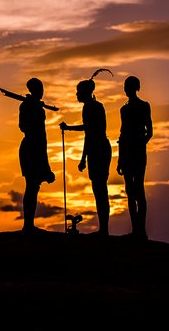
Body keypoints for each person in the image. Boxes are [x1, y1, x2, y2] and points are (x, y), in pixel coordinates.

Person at [60, 71, 112, 236]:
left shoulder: (90, 107)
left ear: (85, 92)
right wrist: (69, 128)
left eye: (78, 92)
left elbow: (89, 133)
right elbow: (88, 130)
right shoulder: (94, 106)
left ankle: (104, 229)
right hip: (100, 148)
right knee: (100, 189)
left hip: (98, 149)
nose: (76, 94)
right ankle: (103, 228)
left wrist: (83, 158)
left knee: (100, 189)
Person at [18, 78, 56, 234]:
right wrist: (33, 111)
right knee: (31, 186)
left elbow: (43, 136)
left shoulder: (39, 108)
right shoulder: (26, 106)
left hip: (39, 148)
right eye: (40, 89)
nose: (42, 92)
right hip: (30, 148)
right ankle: (28, 225)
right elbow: (23, 127)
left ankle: (29, 224)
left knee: (35, 186)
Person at [117, 75, 152, 240]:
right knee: (130, 191)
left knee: (138, 188)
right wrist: (120, 158)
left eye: (127, 86)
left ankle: (141, 230)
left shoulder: (144, 106)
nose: (125, 89)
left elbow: (149, 131)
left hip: (137, 152)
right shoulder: (123, 109)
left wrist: (140, 144)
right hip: (128, 153)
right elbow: (122, 134)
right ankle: (136, 229)